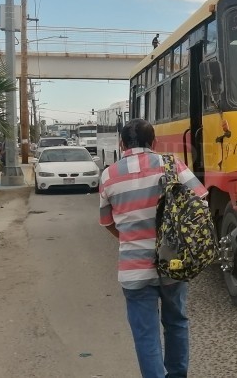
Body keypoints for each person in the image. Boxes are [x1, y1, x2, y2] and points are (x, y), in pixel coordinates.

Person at [98, 119, 207, 378]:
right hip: (173, 263)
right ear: (154, 142)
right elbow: (201, 200)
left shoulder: (109, 175)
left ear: (122, 144)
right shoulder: (172, 165)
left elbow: (107, 222)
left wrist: (131, 241)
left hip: (133, 269)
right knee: (176, 323)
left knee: (145, 335)